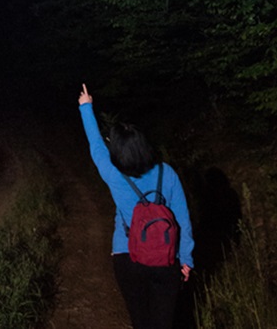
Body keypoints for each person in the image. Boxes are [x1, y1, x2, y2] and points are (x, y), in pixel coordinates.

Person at [78, 83, 194, 329]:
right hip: (166, 258)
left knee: (140, 321)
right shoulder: (167, 173)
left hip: (127, 257)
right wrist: (186, 259)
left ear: (117, 152)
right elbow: (183, 220)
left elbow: (95, 145)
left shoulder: (113, 174)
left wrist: (86, 107)